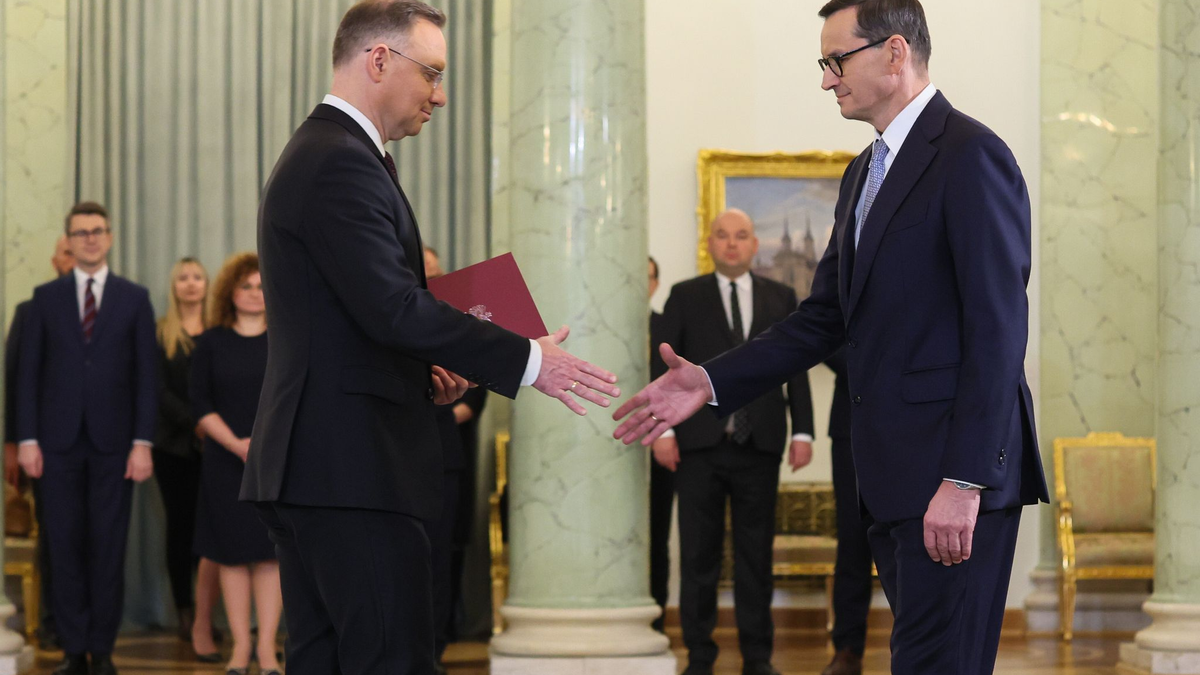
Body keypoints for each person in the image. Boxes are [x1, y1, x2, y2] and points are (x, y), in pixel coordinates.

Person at [614, 2, 1050, 673]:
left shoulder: (970, 155)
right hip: (893, 481)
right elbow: (821, 320)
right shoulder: (861, 176)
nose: (826, 81)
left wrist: (964, 479)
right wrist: (710, 381)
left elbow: (997, 330)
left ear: (895, 52)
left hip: (950, 481)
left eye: (835, 61)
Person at [241, 2, 620, 673]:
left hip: (324, 464)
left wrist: (426, 370)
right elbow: (392, 307)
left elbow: (353, 315)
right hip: (352, 467)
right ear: (379, 60)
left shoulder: (334, 152)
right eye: (432, 74)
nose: (439, 96)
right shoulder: (339, 161)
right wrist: (530, 358)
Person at [649, 210, 814, 675]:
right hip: (698, 446)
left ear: (755, 244)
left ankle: (758, 658)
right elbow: (661, 369)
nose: (732, 244)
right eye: (723, 236)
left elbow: (794, 368)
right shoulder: (686, 296)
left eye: (741, 236)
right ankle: (700, 657)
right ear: (710, 243)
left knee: (755, 557)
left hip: (759, 444)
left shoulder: (780, 297)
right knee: (698, 557)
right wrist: (662, 431)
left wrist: (803, 430)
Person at [16, 202, 158, 675]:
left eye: (97, 231)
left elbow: (146, 376)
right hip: (54, 446)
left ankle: (104, 650)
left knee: (108, 547)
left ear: (110, 237)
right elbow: (27, 376)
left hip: (116, 446)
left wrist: (143, 443)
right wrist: (27, 440)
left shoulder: (134, 299)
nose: (90, 239)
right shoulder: (44, 299)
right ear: (69, 240)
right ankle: (75, 651)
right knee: (64, 545)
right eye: (81, 232)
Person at [191, 253, 281, 675]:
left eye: (262, 286)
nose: (254, 293)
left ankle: (266, 649)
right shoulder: (210, 342)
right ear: (231, 290)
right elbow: (200, 405)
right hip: (225, 461)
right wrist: (236, 444)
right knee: (230, 556)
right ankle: (240, 647)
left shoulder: (286, 338)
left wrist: (262, 445)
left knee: (269, 555)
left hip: (275, 459)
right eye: (246, 286)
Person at [3, 234, 75, 650]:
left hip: (98, 451)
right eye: (66, 251)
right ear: (55, 260)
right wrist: (12, 444)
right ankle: (51, 619)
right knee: (53, 536)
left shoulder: (112, 306)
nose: (73, 258)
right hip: (44, 449)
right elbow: (15, 383)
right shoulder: (30, 312)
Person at [152, 257, 222, 661]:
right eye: (183, 277)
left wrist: (211, 427)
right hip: (173, 447)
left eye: (197, 277)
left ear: (207, 284)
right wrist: (196, 421)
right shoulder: (160, 332)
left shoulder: (220, 330)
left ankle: (206, 616)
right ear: (174, 286)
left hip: (216, 447)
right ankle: (184, 611)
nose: (191, 284)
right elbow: (157, 391)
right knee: (180, 530)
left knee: (209, 534)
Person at [821, 350, 871, 675]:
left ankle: (922, 647)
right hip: (850, 425)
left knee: (917, 540)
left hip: (917, 422)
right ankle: (848, 649)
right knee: (853, 540)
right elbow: (826, 338)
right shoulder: (842, 295)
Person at [647, 255, 672, 633]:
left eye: (646, 276)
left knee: (657, 534)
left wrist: (665, 434)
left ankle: (658, 618)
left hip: (660, 444)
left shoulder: (667, 326)